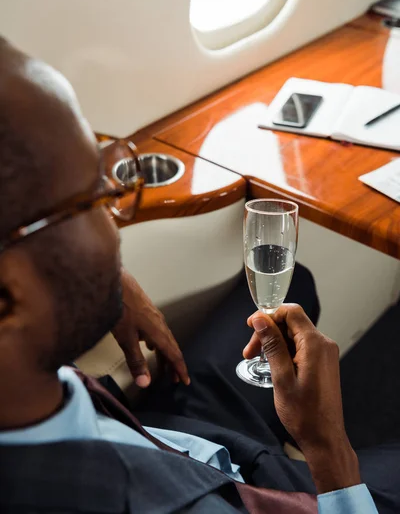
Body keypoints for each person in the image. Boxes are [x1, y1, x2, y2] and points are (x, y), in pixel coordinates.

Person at [0, 37, 396, 513]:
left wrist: (93, 282)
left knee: (300, 284)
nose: (116, 225)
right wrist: (331, 451)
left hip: (172, 434)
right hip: (249, 490)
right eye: (92, 202)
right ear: (9, 297)